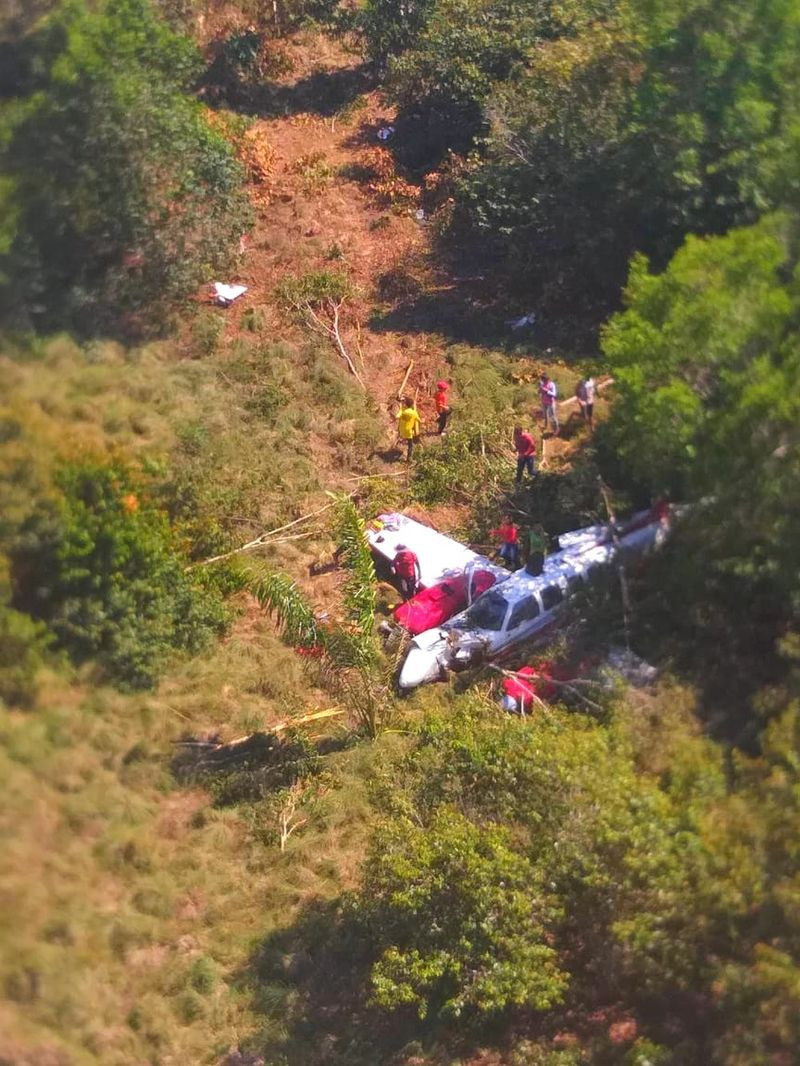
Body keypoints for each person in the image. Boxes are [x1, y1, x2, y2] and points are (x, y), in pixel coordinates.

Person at [397, 397, 421, 461]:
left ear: (405, 404)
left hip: (401, 430)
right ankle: (409, 458)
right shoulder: (414, 413)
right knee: (410, 445)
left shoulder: (403, 410)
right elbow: (419, 420)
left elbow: (397, 416)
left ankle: (401, 439)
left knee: (404, 436)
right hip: (408, 432)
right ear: (412, 405)